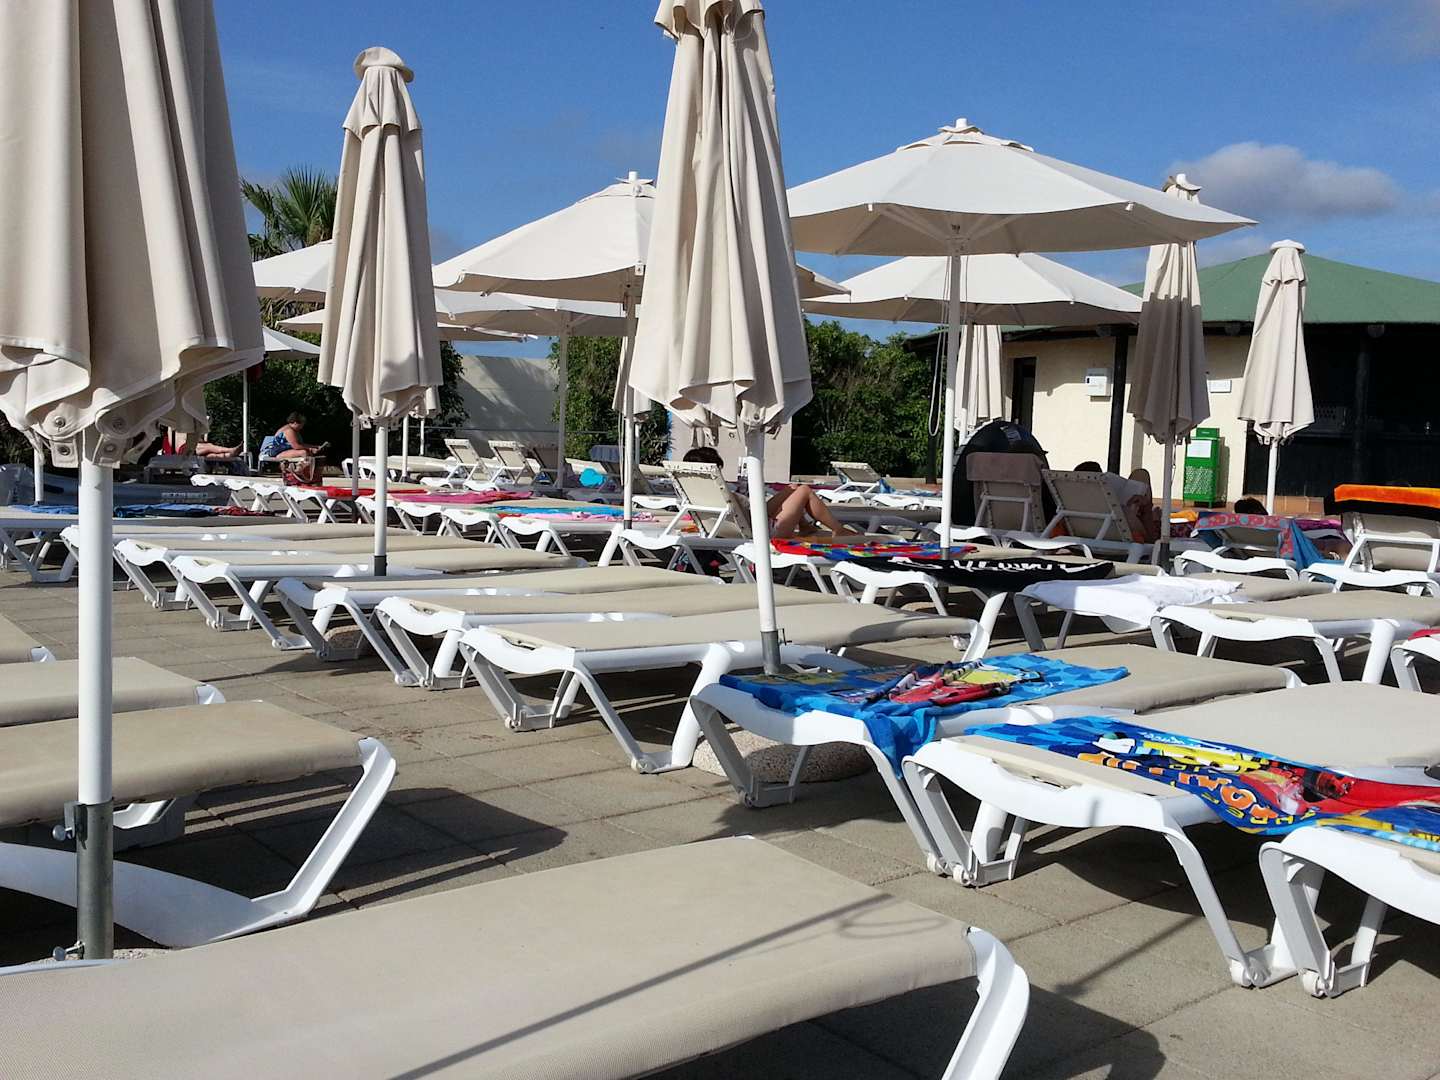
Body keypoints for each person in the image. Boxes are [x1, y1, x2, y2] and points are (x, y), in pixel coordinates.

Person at [681, 446, 855, 538]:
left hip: (733, 529)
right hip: (765, 533)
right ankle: (838, 529)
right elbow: (760, 513)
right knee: (804, 490)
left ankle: (805, 526)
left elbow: (758, 512)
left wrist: (785, 493)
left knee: (792, 490)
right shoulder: (724, 493)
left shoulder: (699, 493)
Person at [259, 413, 327, 462]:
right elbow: (296, 446)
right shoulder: (289, 430)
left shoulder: (295, 431)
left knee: (307, 452)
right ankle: (301, 471)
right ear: (295, 423)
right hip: (273, 452)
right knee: (304, 452)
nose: (302, 427)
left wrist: (316, 447)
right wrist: (311, 449)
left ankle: (304, 471)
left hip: (281, 451)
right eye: (301, 425)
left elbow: (301, 444)